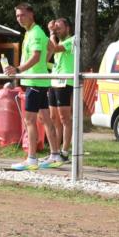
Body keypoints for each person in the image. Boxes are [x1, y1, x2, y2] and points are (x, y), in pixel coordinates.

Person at [3, 3, 60, 170]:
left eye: (23, 15)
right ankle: (55, 155)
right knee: (45, 119)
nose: (20, 19)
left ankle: (32, 159)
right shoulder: (34, 32)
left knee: (29, 120)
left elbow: (36, 56)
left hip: (35, 82)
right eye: (17, 16)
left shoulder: (34, 33)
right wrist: (44, 62)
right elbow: (52, 48)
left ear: (31, 14)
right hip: (39, 81)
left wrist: (18, 69)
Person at [47, 17, 75, 163]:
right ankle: (55, 152)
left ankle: (65, 152)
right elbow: (49, 55)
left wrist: (51, 33)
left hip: (65, 82)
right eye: (55, 28)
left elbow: (54, 48)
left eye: (59, 28)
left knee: (64, 118)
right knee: (53, 118)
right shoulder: (59, 41)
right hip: (54, 81)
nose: (57, 30)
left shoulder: (72, 40)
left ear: (67, 28)